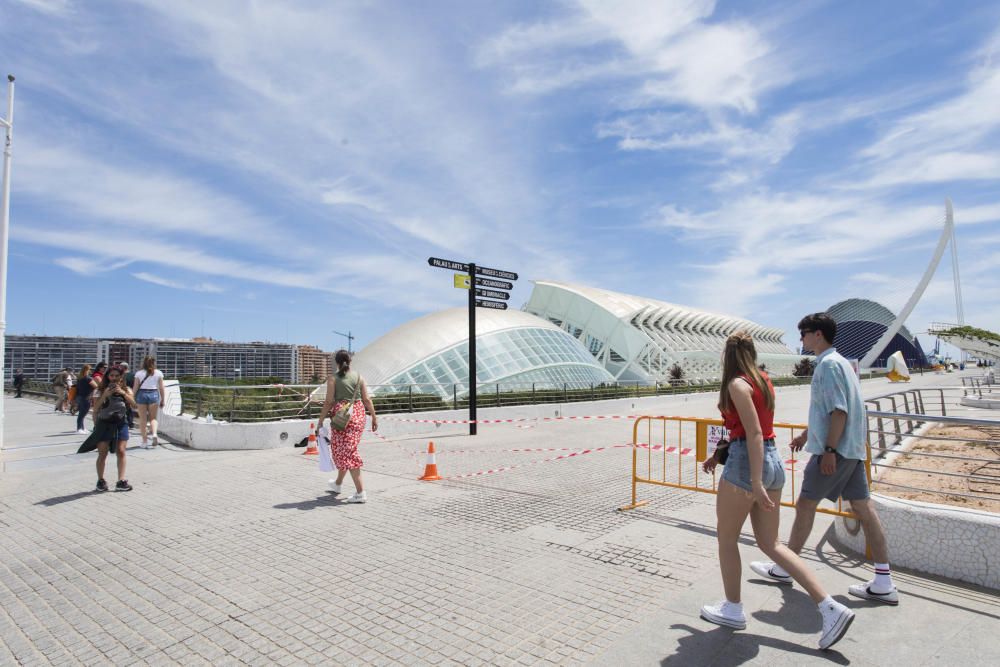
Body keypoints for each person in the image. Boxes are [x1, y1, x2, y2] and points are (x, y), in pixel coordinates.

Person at [700, 331, 854, 650]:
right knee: (772, 544)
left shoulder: (737, 385)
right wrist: (720, 457)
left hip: (748, 464)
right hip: (773, 461)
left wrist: (754, 482)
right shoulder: (764, 381)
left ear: (727, 358)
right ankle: (830, 607)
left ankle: (732, 608)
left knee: (727, 539)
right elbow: (754, 430)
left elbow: (752, 434)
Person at [750, 312, 898, 605]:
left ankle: (785, 566)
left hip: (836, 452)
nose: (801, 338)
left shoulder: (827, 365)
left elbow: (838, 411)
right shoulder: (842, 363)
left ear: (818, 334)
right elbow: (833, 409)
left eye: (804, 332)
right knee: (864, 508)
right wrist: (808, 435)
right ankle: (884, 580)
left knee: (805, 504)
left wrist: (828, 450)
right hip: (852, 450)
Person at [316, 349, 378, 504]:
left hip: (342, 420)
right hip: (358, 416)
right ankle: (337, 484)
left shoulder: (333, 379)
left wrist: (320, 420)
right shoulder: (359, 377)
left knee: (348, 453)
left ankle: (360, 492)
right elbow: (367, 399)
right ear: (350, 361)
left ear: (337, 363)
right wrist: (374, 417)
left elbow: (329, 402)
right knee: (346, 450)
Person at [91, 365, 136, 492]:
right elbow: (95, 409)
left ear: (121, 377)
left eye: (117, 376)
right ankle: (101, 480)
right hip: (104, 423)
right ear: (107, 377)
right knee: (102, 453)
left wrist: (123, 393)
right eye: (112, 376)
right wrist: (105, 394)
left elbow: (134, 404)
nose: (114, 378)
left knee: (121, 451)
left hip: (121, 423)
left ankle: (121, 480)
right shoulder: (99, 390)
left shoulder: (127, 389)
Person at [132, 356, 165, 448]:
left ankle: (144, 441)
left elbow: (135, 387)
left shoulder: (139, 373)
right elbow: (161, 387)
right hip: (154, 394)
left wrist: (131, 398)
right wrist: (163, 399)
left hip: (142, 394)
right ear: (154, 363)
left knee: (143, 419)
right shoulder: (158, 373)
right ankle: (154, 434)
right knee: (153, 418)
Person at [74, 364, 99, 434]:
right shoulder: (88, 378)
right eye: (90, 369)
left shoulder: (79, 378)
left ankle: (82, 428)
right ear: (87, 370)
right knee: (82, 414)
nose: (91, 371)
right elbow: (96, 386)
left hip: (79, 397)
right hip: (86, 397)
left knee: (81, 413)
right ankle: (79, 429)